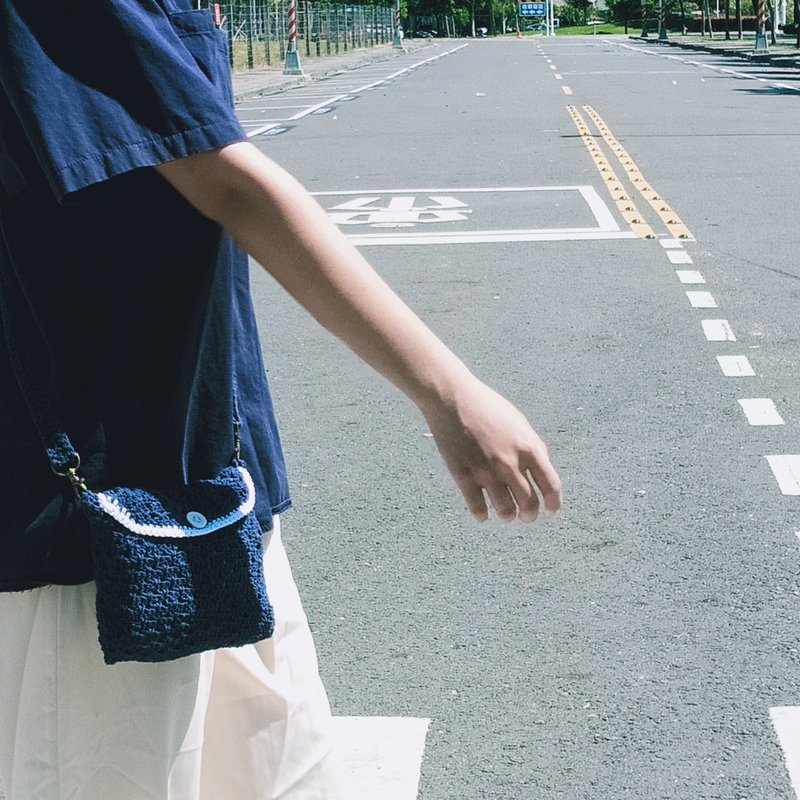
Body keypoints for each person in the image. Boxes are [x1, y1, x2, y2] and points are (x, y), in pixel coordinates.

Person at [0, 1, 562, 799]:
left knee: (284, 774)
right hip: (97, 532)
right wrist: (449, 392)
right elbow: (232, 185)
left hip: (209, 491)